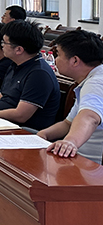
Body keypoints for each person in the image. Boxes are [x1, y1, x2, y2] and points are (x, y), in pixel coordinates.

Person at [37, 30, 103, 161]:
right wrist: (43, 134)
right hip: (78, 158)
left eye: (58, 54)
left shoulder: (95, 83)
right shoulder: (91, 78)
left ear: (75, 60)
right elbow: (68, 124)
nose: (56, 60)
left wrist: (70, 141)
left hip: (90, 165)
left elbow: (90, 117)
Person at [0, 20, 60, 130]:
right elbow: (1, 97)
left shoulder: (39, 74)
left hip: (24, 130)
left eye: (4, 42)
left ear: (19, 49)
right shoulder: (15, 64)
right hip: (2, 122)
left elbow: (21, 115)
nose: (2, 46)